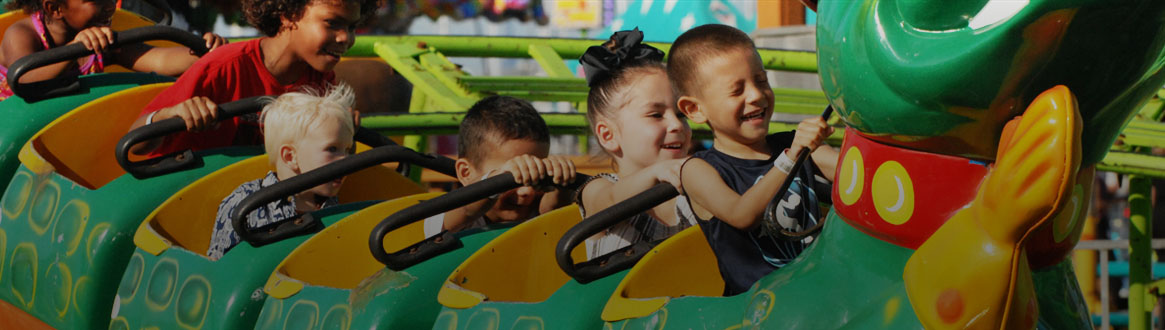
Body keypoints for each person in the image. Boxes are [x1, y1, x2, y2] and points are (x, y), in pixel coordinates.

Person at [671, 24, 839, 295]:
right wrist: (792, 156)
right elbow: (741, 214)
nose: (757, 95)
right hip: (756, 308)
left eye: (761, 81)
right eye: (737, 90)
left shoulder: (793, 143)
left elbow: (854, 173)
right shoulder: (698, 169)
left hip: (816, 287)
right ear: (695, 109)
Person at [127, 0, 378, 157]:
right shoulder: (223, 66)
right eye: (332, 23)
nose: (346, 38)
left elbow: (319, 165)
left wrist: (342, 136)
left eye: (352, 27)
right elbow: (133, 144)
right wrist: (171, 115)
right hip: (187, 193)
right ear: (288, 13)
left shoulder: (321, 81)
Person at [574, 28, 695, 260]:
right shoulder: (598, 189)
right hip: (619, 296)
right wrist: (657, 172)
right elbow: (609, 202)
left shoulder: (694, 188)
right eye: (656, 115)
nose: (677, 125)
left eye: (681, 115)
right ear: (608, 135)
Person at [206, 84, 355, 260]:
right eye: (332, 149)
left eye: (347, 150)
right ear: (290, 156)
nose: (345, 159)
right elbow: (219, 268)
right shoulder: (245, 204)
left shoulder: (336, 206)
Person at [0, 0, 227, 100]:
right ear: (55, 8)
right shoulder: (20, 34)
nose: (110, 6)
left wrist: (204, 52)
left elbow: (158, 59)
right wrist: (74, 49)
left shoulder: (100, 39)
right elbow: (26, 80)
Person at [422, 95, 577, 237]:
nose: (527, 191)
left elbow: (552, 212)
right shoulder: (449, 215)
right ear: (466, 172)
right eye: (510, 178)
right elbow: (466, 210)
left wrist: (560, 185)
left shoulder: (536, 211)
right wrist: (496, 182)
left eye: (536, 178)